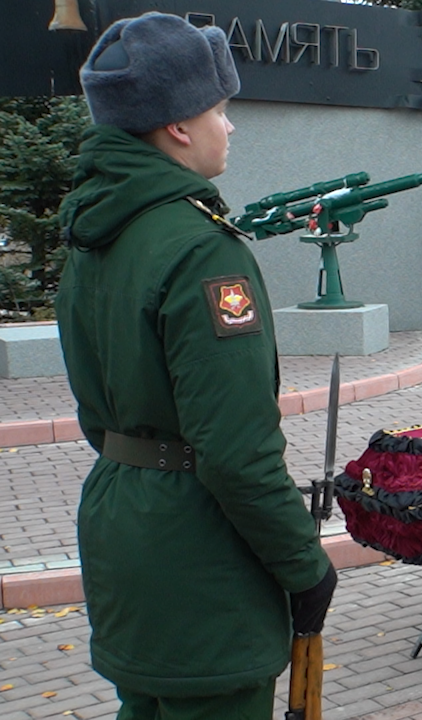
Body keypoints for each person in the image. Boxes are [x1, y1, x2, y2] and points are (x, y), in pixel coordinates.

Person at [55, 13, 337, 718]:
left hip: (123, 528)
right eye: (219, 108)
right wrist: (303, 564)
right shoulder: (201, 247)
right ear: (178, 125)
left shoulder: (95, 235)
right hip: (201, 556)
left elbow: (99, 419)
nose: (229, 126)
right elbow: (235, 452)